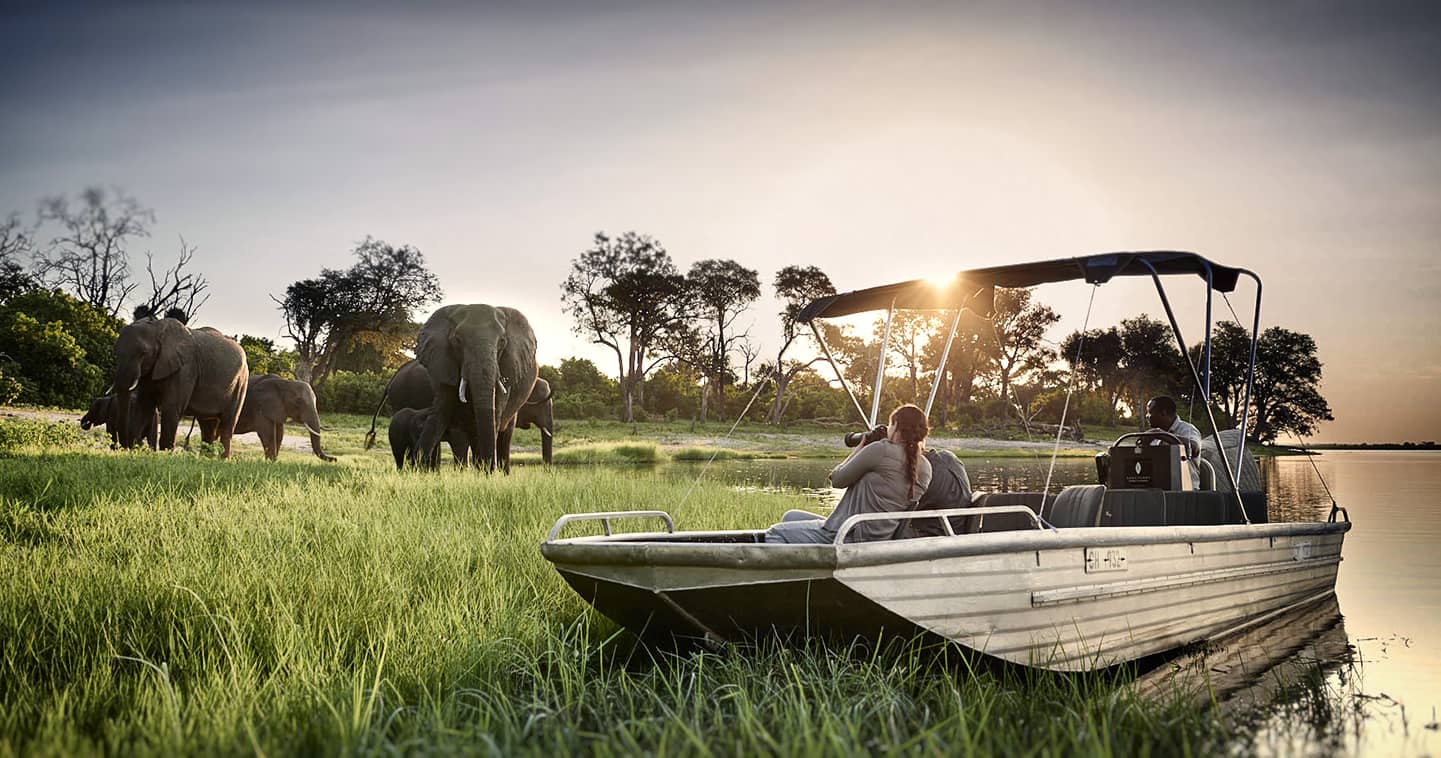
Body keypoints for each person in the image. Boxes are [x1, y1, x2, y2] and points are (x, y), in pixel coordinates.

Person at [765, 404, 933, 544]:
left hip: (848, 535)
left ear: (896, 425)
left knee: (774, 533)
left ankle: (803, 580)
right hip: (879, 537)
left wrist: (860, 448)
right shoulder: (926, 467)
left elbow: (836, 480)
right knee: (790, 516)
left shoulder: (880, 450)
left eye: (890, 425)